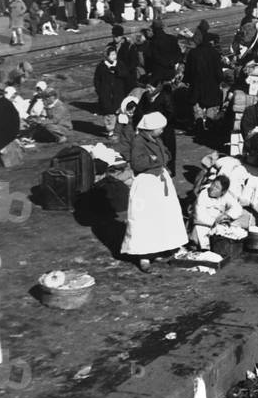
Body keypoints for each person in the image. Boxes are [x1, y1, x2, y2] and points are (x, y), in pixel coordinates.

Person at [121, 112, 187, 273]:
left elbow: (166, 154)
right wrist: (155, 160)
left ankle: (158, 248)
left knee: (162, 216)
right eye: (160, 128)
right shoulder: (138, 141)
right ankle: (143, 256)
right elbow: (138, 163)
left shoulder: (155, 139)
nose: (162, 131)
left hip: (159, 182)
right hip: (146, 184)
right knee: (144, 219)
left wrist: (162, 158)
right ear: (150, 129)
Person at [189, 175, 244, 250]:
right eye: (213, 185)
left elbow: (237, 208)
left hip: (217, 227)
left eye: (217, 188)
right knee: (197, 235)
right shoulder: (203, 194)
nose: (212, 188)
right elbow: (199, 216)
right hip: (202, 225)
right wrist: (216, 221)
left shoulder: (226, 196)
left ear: (222, 192)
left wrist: (227, 215)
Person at [184, 31, 223, 134]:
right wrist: (219, 80)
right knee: (211, 103)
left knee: (196, 103)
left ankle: (199, 121)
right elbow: (218, 71)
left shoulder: (193, 52)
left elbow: (188, 69)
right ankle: (210, 122)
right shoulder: (214, 53)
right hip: (211, 83)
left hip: (196, 83)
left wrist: (187, 80)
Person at [94, 44, 124, 139]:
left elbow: (125, 74)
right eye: (111, 55)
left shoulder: (119, 64)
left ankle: (118, 130)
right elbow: (97, 80)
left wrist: (117, 71)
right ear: (106, 56)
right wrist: (100, 91)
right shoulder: (101, 66)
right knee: (109, 113)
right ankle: (110, 131)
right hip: (106, 94)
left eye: (115, 54)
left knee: (118, 111)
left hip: (118, 93)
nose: (114, 57)